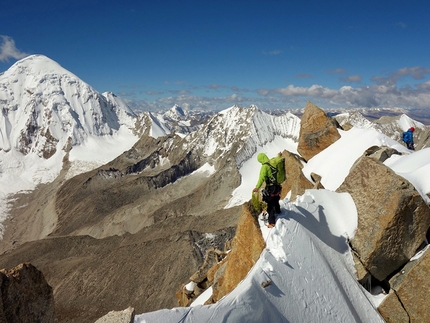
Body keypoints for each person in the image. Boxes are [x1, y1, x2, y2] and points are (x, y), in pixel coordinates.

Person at [253, 152, 283, 228]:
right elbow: (278, 159)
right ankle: (278, 211)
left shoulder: (264, 167)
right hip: (278, 186)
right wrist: (279, 155)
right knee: (276, 199)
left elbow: (261, 178)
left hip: (271, 188)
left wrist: (257, 187)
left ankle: (271, 222)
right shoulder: (273, 162)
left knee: (270, 205)